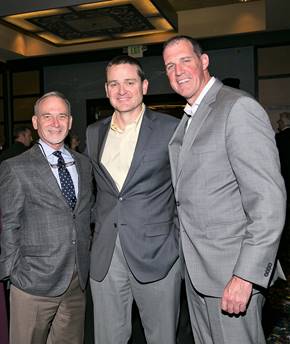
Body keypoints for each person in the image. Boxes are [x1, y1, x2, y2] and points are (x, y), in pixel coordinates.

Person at [162, 35, 286, 344]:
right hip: (198, 271)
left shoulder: (237, 107)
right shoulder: (190, 117)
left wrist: (245, 276)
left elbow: (268, 202)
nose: (178, 71)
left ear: (204, 62)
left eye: (185, 61)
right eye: (170, 66)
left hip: (231, 273)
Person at [86, 55, 181, 344]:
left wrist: (175, 242)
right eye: (114, 83)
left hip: (158, 254)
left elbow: (187, 190)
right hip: (105, 255)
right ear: (106, 90)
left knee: (161, 337)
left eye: (129, 82)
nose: (122, 90)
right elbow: (100, 192)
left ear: (145, 86)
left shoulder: (171, 128)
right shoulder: (93, 133)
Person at [0, 91, 94, 344]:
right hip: (32, 283)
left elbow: (84, 215)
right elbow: (9, 224)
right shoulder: (15, 167)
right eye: (47, 116)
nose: (55, 123)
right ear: (35, 122)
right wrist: (12, 274)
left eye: (61, 116)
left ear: (70, 121)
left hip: (76, 282)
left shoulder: (84, 164)